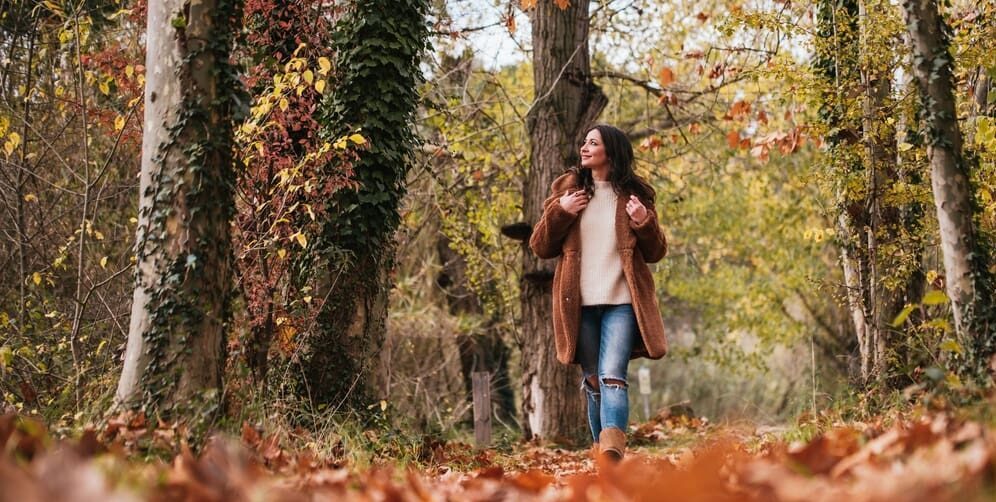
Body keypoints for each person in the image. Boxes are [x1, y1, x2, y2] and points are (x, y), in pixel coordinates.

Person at [529, 124, 668, 461]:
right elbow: (540, 246)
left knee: (612, 377)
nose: (585, 147)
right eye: (584, 141)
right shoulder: (568, 192)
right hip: (579, 305)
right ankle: (603, 456)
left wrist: (643, 222)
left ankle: (612, 451)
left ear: (611, 151)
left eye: (594, 142)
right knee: (593, 381)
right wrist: (562, 212)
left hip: (621, 303)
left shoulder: (635, 196)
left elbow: (656, 251)